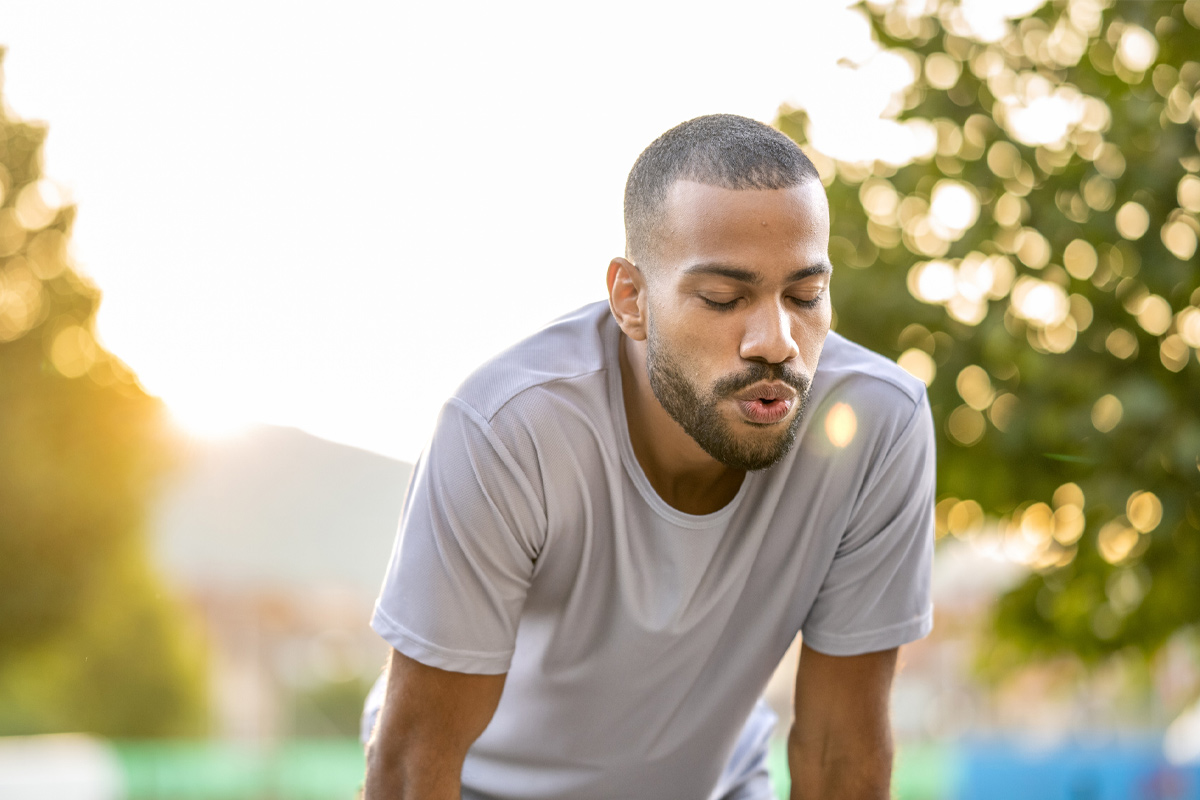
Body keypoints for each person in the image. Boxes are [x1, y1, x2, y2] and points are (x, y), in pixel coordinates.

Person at [361, 114, 935, 800]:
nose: (777, 340)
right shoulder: (508, 429)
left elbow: (841, 751)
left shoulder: (877, 424)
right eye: (725, 298)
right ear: (630, 300)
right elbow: (411, 764)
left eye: (805, 295)